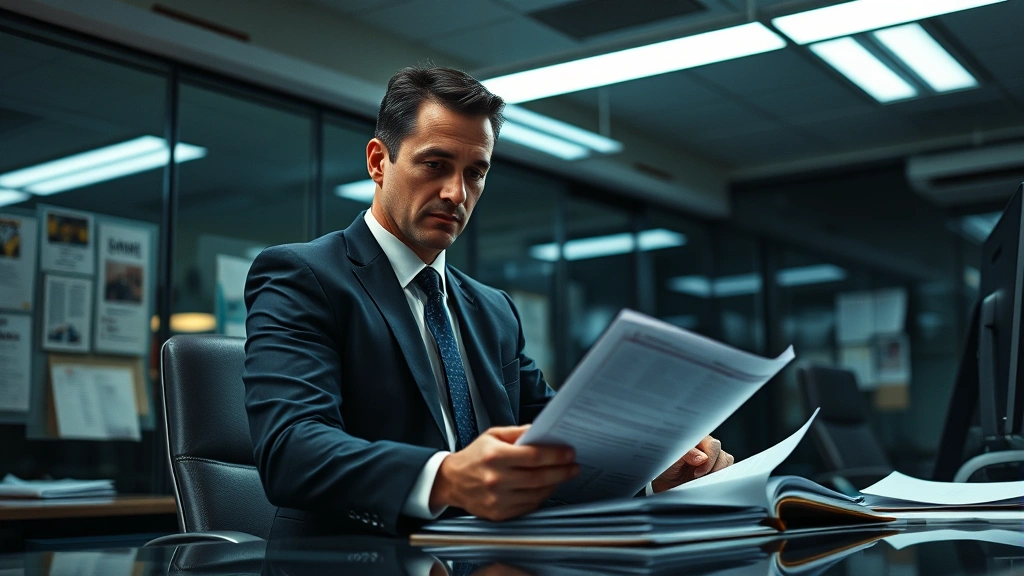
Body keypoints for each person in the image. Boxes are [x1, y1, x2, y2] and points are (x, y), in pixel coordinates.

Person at [242, 66, 734, 539]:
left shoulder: (493, 310)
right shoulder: (304, 276)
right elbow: (292, 450)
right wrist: (447, 477)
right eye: (435, 164)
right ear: (378, 162)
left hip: (492, 556)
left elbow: (560, 444)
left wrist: (653, 470)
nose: (456, 193)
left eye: (475, 173)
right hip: (356, 559)